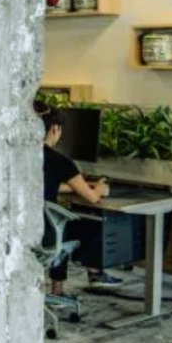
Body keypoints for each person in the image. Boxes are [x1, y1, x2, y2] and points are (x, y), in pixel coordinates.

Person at [40, 107, 115, 297]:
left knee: (62, 224)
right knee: (84, 222)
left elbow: (46, 184)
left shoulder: (23, 157)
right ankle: (90, 273)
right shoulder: (60, 161)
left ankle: (80, 278)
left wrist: (73, 186)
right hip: (46, 234)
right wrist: (100, 188)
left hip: (25, 230)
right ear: (55, 129)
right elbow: (93, 198)